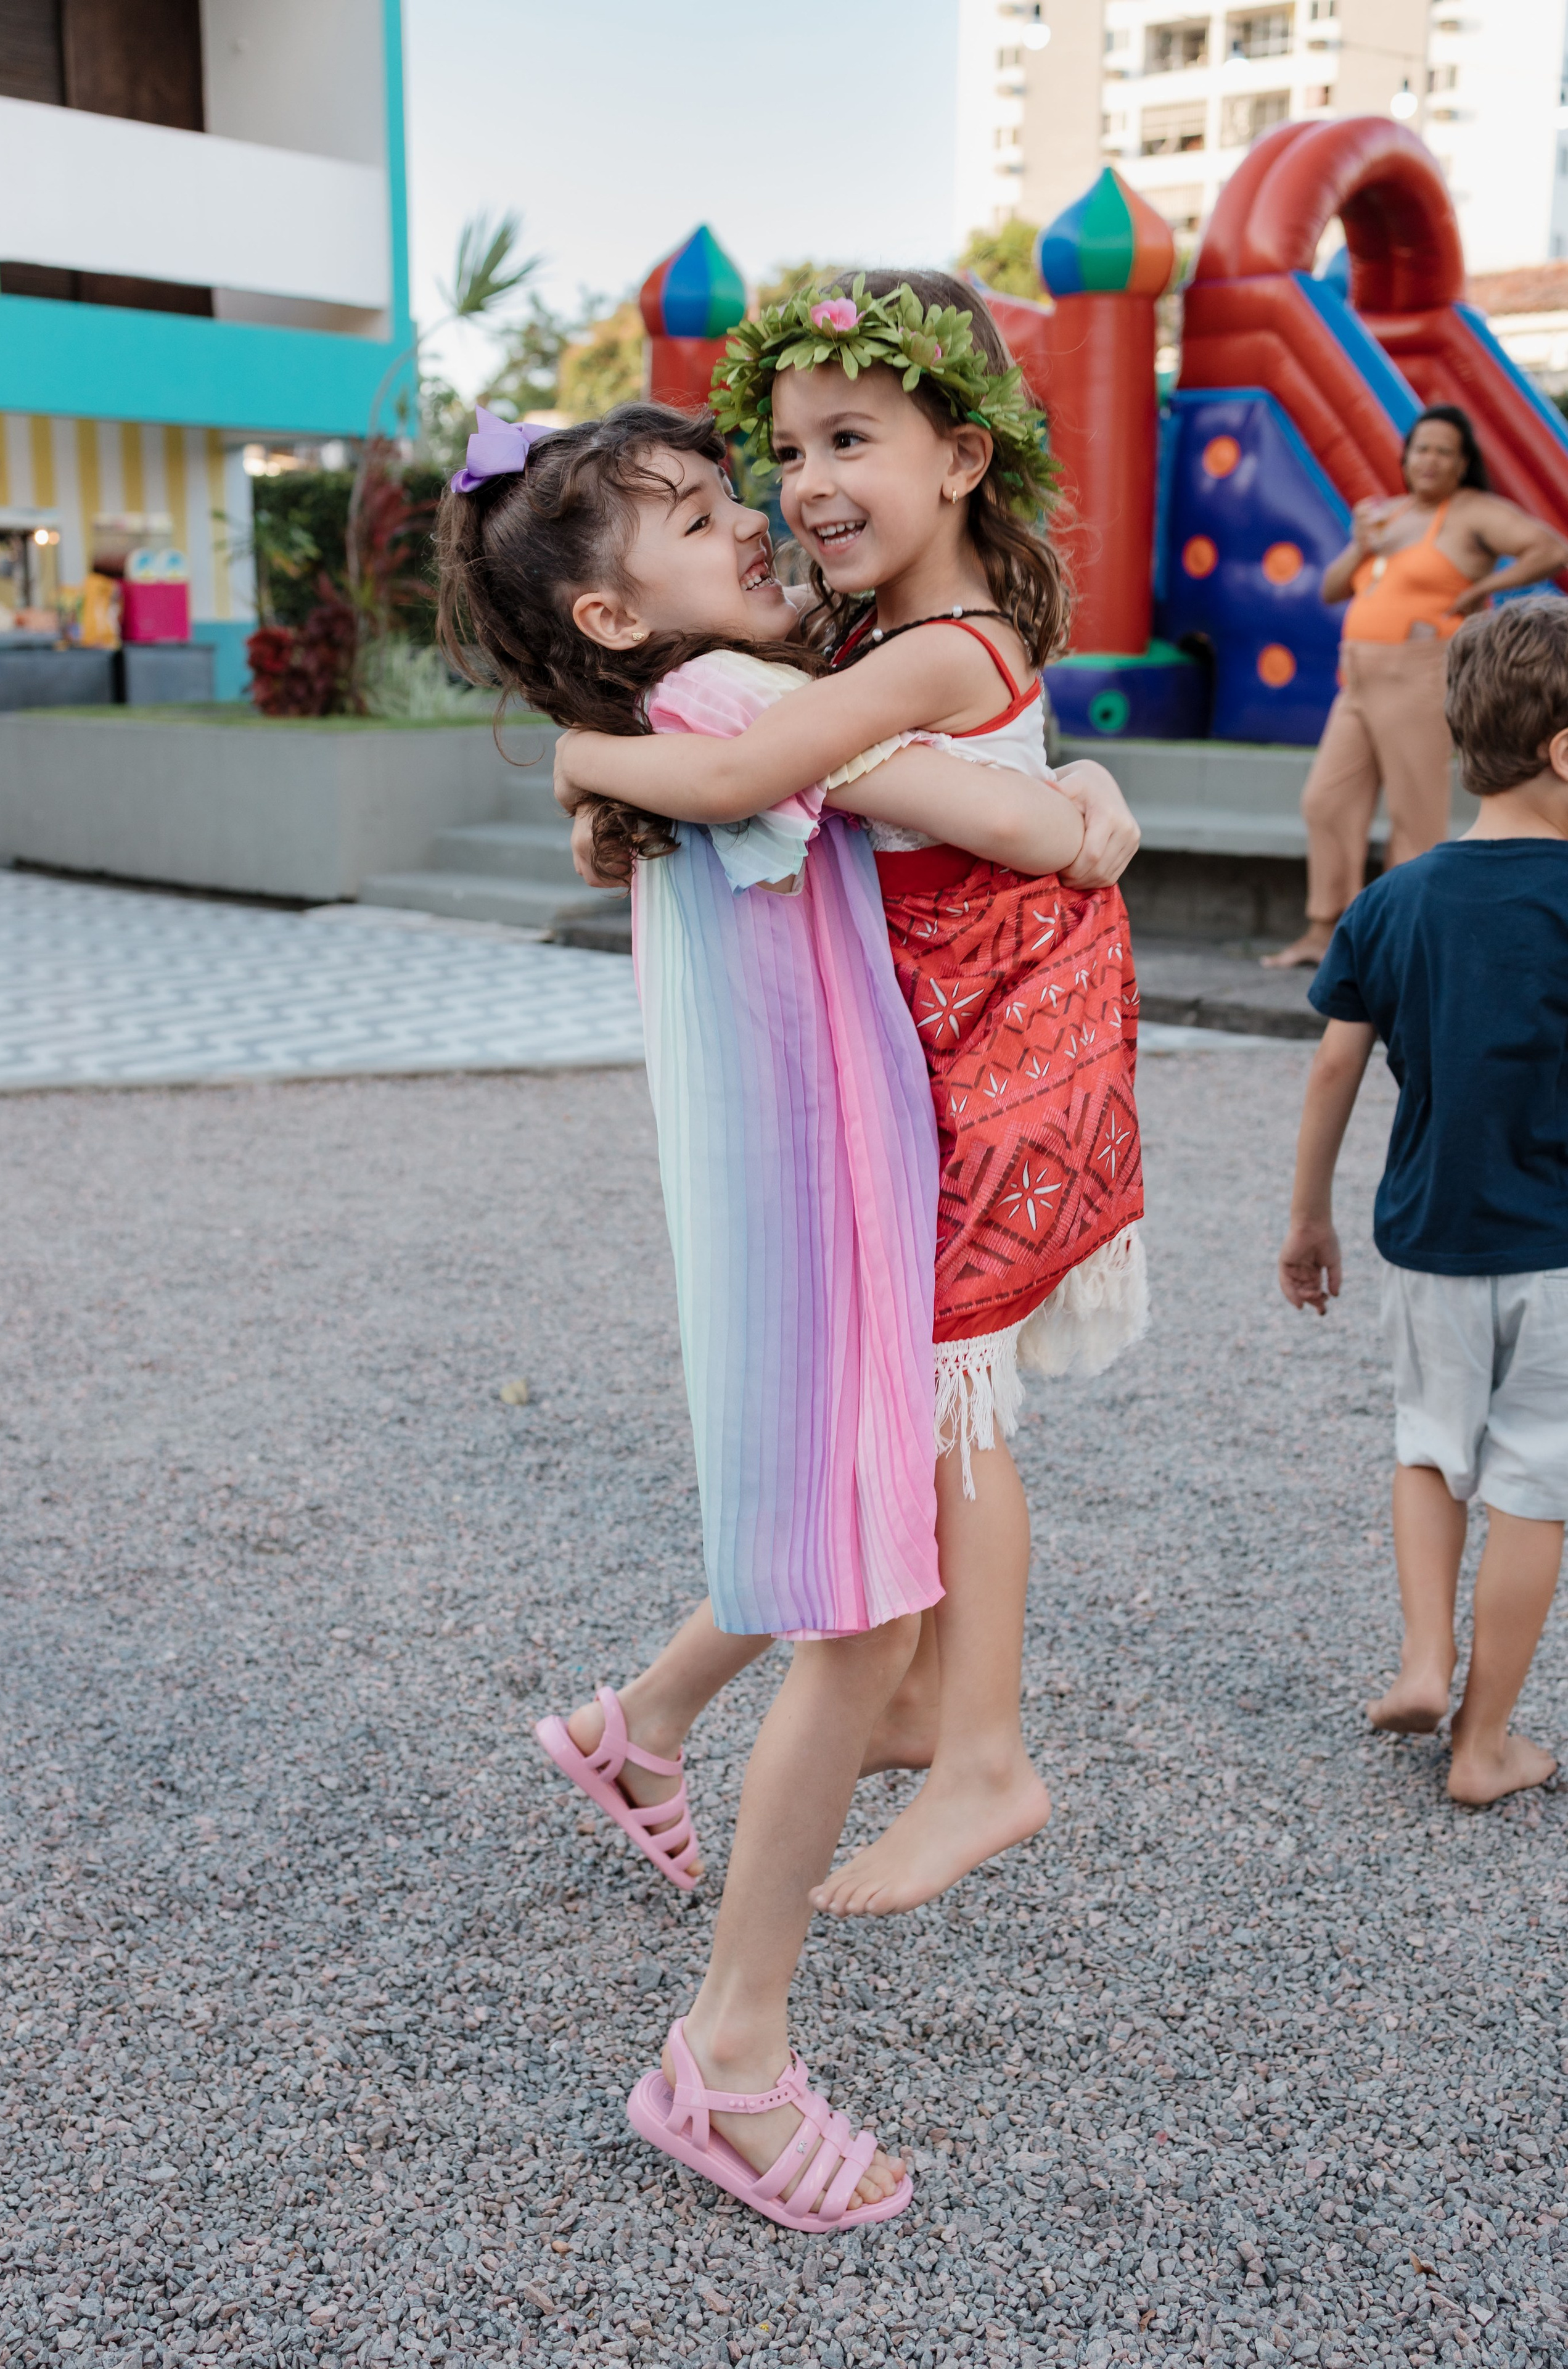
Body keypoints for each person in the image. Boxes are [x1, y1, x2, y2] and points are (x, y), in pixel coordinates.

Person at [438, 398, 1106, 2229]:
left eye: (729, 493)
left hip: (809, 1196)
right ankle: (726, 2054)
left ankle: (638, 1739)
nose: (747, 521)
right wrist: (1094, 808)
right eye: (689, 514)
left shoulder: (690, 708)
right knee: (858, 1606)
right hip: (818, 1206)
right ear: (607, 616)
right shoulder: (719, 711)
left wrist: (591, 756)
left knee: (851, 1564)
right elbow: (1008, 816)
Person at [551, 272, 1147, 1919]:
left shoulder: (926, 655)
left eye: (851, 438)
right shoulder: (868, 642)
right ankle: (844, 1709)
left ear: (961, 457)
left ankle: (985, 1755)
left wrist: (580, 754)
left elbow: (748, 769)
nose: (804, 481)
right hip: (968, 1053)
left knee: (951, 1399)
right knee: (911, 1399)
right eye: (788, 445)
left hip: (1002, 1060)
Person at [1278, 596, 1568, 1805]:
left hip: (1428, 1243)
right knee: (1534, 1483)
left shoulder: (1392, 902)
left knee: (1426, 1448)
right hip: (1558, 1252)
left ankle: (1416, 1657)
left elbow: (1334, 1065)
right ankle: (1481, 1744)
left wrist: (1307, 1217)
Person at [1264, 404, 1568, 970]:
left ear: (1462, 463)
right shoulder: (1391, 516)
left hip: (1421, 672)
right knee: (1326, 801)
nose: (1429, 460)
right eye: (1421, 448)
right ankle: (1325, 932)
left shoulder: (1473, 511)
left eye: (1444, 451)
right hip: (1357, 677)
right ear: (1406, 457)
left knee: (1415, 814)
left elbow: (1551, 548)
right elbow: (1332, 587)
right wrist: (1360, 544)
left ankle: (1404, 944)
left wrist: (1484, 585)